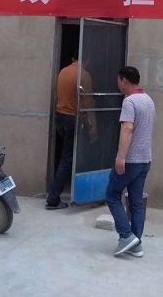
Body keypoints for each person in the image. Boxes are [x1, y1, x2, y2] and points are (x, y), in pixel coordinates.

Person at [106, 66, 155, 257]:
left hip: (131, 160)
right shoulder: (148, 100)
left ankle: (126, 235)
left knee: (112, 194)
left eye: (119, 81)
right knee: (136, 202)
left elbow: (127, 129)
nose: (118, 85)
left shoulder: (129, 101)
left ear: (124, 81)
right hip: (145, 159)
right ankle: (136, 245)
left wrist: (121, 157)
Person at [45, 50, 96, 210]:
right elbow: (88, 104)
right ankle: (53, 198)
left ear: (73, 58)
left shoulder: (62, 72)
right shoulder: (84, 75)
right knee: (68, 159)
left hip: (60, 117)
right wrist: (94, 127)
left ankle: (71, 191)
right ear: (87, 60)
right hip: (74, 119)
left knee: (68, 157)